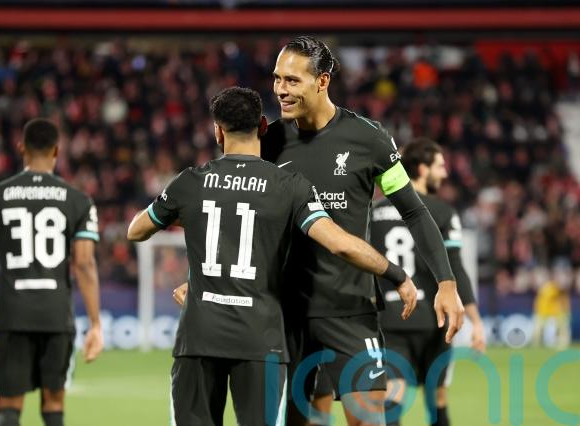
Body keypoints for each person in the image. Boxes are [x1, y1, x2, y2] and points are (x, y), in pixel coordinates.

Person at [174, 36, 465, 425]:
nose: (280, 89)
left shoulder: (370, 139)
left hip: (350, 308)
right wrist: (199, 277)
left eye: (292, 80)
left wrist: (446, 282)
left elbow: (413, 210)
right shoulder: (268, 142)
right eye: (277, 78)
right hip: (284, 313)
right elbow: (232, 212)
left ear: (322, 81)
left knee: (368, 419)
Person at [128, 87, 417, 426]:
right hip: (259, 340)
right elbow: (340, 244)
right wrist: (396, 274)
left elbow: (136, 230)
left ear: (217, 131)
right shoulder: (289, 186)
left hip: (199, 336)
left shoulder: (190, 183)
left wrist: (193, 213)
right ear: (264, 126)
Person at [0, 118, 103, 426]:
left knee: (7, 409)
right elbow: (84, 265)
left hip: (12, 315)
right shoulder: (78, 200)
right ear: (57, 150)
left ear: (21, 149)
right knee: (54, 407)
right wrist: (96, 324)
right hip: (56, 317)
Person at [370, 138, 486, 426]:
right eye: (439, 166)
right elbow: (456, 268)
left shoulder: (373, 212)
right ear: (422, 169)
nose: (445, 173)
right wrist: (475, 321)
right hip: (434, 321)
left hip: (390, 319)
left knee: (393, 393)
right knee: (438, 396)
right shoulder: (442, 212)